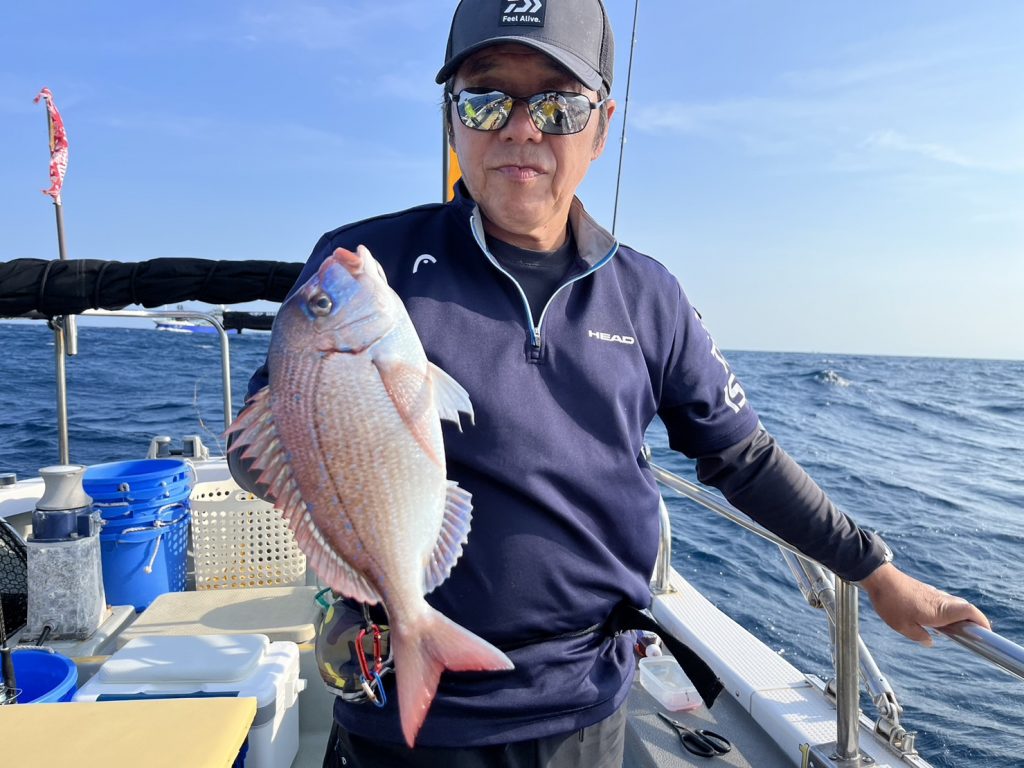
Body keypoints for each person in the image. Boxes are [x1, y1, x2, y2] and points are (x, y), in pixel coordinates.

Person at [230, 1, 990, 766]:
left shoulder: (648, 296)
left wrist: (872, 569)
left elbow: (742, 457)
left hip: (584, 702)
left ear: (602, 127)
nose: (521, 129)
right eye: (485, 99)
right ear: (450, 119)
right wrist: (338, 435)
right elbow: (256, 453)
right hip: (400, 710)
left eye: (559, 106)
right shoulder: (366, 267)